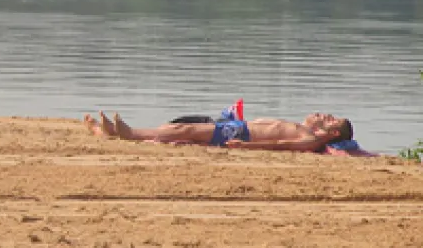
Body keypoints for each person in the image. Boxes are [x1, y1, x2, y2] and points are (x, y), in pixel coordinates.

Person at [83, 111, 353, 153]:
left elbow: (279, 144)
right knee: (182, 131)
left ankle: (128, 134)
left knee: (184, 129)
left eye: (333, 122)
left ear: (334, 135)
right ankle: (107, 132)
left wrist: (247, 147)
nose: (327, 118)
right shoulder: (307, 129)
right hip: (242, 128)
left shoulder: (308, 140)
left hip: (243, 136)